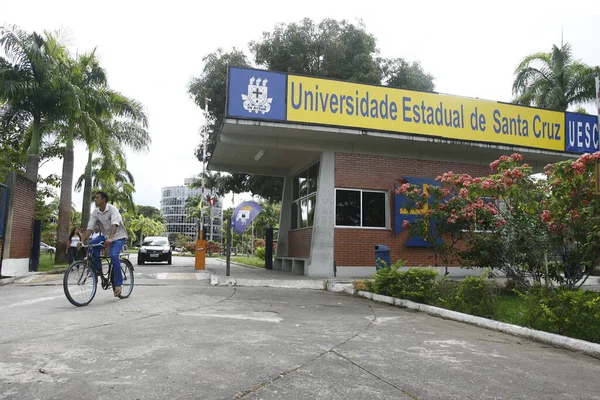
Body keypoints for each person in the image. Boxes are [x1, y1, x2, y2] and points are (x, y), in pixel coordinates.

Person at [79, 191, 128, 297]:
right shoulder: (96, 212)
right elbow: (89, 228)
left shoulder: (112, 209)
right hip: (105, 237)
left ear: (104, 199)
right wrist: (81, 240)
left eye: (97, 198)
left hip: (118, 237)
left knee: (114, 256)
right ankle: (100, 273)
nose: (95, 200)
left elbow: (115, 223)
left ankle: (118, 284)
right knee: (91, 245)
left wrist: (111, 238)